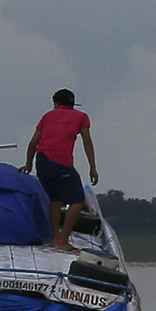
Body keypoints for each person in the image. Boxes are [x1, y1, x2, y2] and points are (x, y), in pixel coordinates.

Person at [30, 89, 99, 247]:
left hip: (42, 160)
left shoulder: (47, 116)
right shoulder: (81, 117)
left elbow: (33, 143)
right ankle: (63, 241)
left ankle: (55, 238)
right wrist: (92, 167)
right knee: (77, 200)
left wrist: (28, 164)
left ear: (56, 103)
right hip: (60, 161)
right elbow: (87, 141)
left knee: (56, 199)